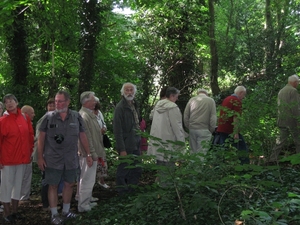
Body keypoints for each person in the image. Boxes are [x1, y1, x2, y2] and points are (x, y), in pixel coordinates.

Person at [37, 90, 93, 224]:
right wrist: (40, 157)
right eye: (56, 101)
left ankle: (66, 211)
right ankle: (54, 214)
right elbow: (41, 138)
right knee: (53, 186)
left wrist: (88, 154)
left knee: (69, 184)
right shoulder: (48, 117)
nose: (57, 104)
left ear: (68, 102)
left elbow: (83, 135)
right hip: (52, 159)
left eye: (60, 101)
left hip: (70, 158)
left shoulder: (76, 117)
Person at [0, 94, 34, 223]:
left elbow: (30, 136)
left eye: (11, 101)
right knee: (6, 186)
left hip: (22, 159)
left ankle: (15, 211)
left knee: (17, 186)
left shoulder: (24, 118)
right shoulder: (3, 121)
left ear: (17, 102)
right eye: (6, 102)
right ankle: (6, 213)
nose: (9, 103)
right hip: (7, 160)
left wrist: (30, 152)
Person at [147, 87, 185, 185]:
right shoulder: (173, 107)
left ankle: (161, 190)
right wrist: (181, 143)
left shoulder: (158, 104)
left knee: (160, 166)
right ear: (172, 96)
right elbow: (177, 127)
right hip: (169, 142)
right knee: (169, 169)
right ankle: (166, 192)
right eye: (176, 97)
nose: (177, 99)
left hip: (158, 141)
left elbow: (151, 117)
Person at [113, 82, 142, 194]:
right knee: (124, 168)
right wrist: (122, 149)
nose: (129, 92)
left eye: (131, 90)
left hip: (136, 141)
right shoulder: (120, 108)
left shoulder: (135, 104)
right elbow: (117, 130)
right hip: (126, 143)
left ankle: (132, 189)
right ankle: (122, 191)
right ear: (123, 92)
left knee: (137, 168)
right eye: (127, 90)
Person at [77, 92, 103, 212]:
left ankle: (86, 200)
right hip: (87, 154)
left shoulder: (88, 114)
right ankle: (83, 205)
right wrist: (90, 153)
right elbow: (86, 137)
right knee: (86, 179)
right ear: (86, 102)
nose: (95, 102)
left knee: (89, 179)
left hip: (91, 153)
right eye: (93, 100)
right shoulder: (83, 116)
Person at [268, 75, 300, 162]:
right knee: (298, 140)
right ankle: (298, 159)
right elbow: (295, 107)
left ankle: (272, 159)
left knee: (280, 141)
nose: (298, 84)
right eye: (298, 82)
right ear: (294, 82)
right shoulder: (293, 91)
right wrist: (298, 120)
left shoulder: (281, 91)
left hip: (282, 119)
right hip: (292, 121)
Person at [215, 86, 249, 164]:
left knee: (223, 149)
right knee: (242, 148)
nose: (243, 97)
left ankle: (219, 166)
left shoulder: (226, 99)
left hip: (222, 128)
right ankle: (245, 166)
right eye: (244, 95)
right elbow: (236, 117)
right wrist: (236, 132)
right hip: (230, 129)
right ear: (240, 93)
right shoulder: (236, 101)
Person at [184, 89, 217, 157]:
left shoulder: (192, 100)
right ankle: (198, 167)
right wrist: (211, 130)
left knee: (192, 152)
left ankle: (192, 166)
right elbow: (213, 117)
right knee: (201, 153)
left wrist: (189, 126)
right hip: (204, 129)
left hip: (193, 129)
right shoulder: (210, 101)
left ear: (198, 93)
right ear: (206, 94)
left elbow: (186, 115)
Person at [20, 105, 36, 201]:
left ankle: (25, 196)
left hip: (28, 154)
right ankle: (18, 197)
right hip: (21, 156)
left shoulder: (29, 124)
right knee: (21, 177)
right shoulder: (21, 124)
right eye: (32, 113)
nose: (34, 114)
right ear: (26, 113)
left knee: (27, 176)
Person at [93, 97, 110, 189]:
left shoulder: (99, 113)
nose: (96, 103)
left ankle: (101, 180)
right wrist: (98, 131)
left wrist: (104, 129)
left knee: (102, 160)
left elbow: (104, 123)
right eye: (94, 102)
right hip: (93, 141)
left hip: (101, 140)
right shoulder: (89, 114)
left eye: (97, 102)